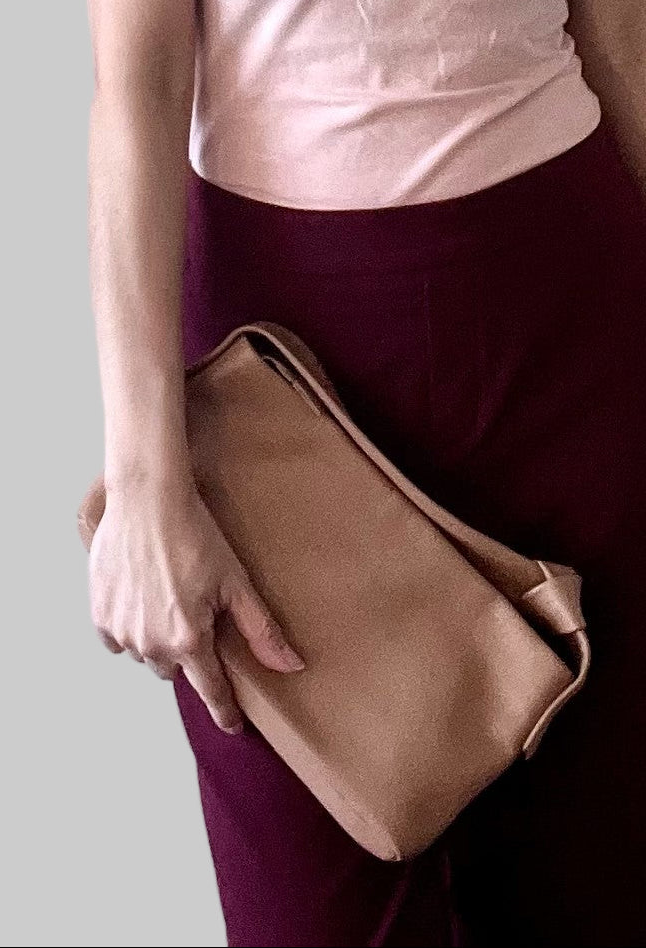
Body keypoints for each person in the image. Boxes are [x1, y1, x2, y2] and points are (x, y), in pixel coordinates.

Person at [85, 2, 646, 945]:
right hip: (284, 367)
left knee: (597, 878)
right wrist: (142, 486)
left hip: (576, 310)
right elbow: (135, 86)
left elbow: (618, 31)